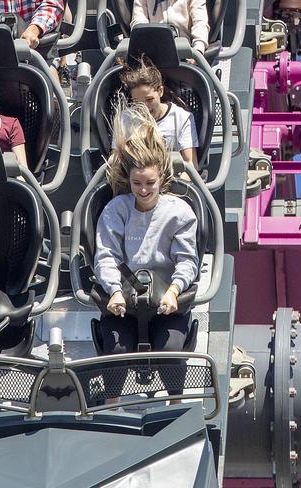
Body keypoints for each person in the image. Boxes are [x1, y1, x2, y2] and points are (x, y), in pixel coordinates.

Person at [94, 100, 200, 402]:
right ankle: (111, 406)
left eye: (150, 183)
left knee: (169, 353)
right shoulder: (117, 209)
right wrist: (114, 290)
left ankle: (176, 402)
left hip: (167, 299)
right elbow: (106, 255)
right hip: (124, 300)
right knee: (116, 351)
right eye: (137, 183)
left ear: (162, 180)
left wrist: (174, 291)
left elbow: (187, 259)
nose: (143, 190)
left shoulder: (179, 212)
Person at [119, 56, 199, 169]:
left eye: (149, 99)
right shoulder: (126, 118)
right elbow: (116, 163)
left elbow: (190, 164)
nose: (144, 108)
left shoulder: (182, 117)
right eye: (137, 102)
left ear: (160, 91)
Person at [131, 0, 209, 55]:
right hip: (152, 49)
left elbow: (200, 22)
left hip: (185, 49)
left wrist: (198, 48)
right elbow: (138, 23)